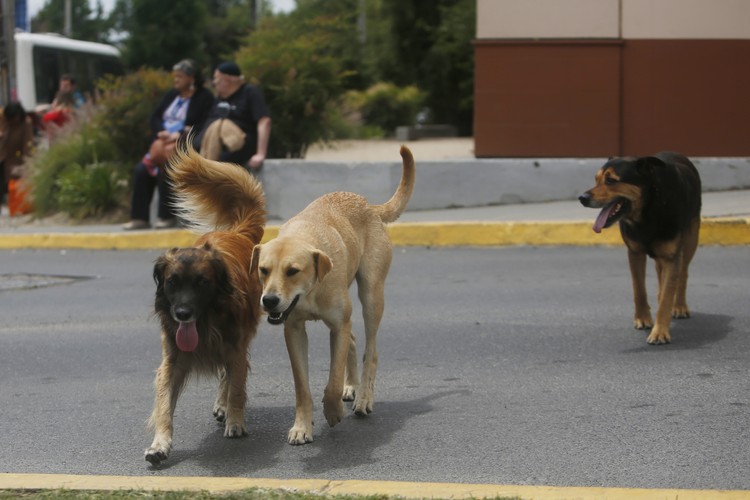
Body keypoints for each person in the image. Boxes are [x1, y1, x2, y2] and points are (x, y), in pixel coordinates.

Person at [122, 59, 215, 230]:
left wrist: (181, 133)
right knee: (141, 170)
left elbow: (205, 123)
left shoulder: (205, 97)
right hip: (162, 143)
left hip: (183, 147)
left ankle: (166, 217)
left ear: (192, 78)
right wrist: (161, 132)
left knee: (167, 168)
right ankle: (139, 218)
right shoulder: (172, 95)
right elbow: (155, 117)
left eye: (180, 76)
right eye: (175, 76)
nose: (176, 80)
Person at [195, 61, 271, 172]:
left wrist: (260, 154)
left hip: (239, 145)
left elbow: (264, 121)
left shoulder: (249, 92)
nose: (214, 83)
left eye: (216, 78)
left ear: (227, 79)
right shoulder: (219, 98)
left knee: (221, 125)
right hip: (213, 145)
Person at [0, 102, 34, 209]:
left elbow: (27, 145)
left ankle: (16, 205)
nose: (11, 121)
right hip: (2, 156)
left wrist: (26, 163)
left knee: (12, 184)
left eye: (13, 118)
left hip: (15, 158)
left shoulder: (26, 123)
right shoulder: (4, 119)